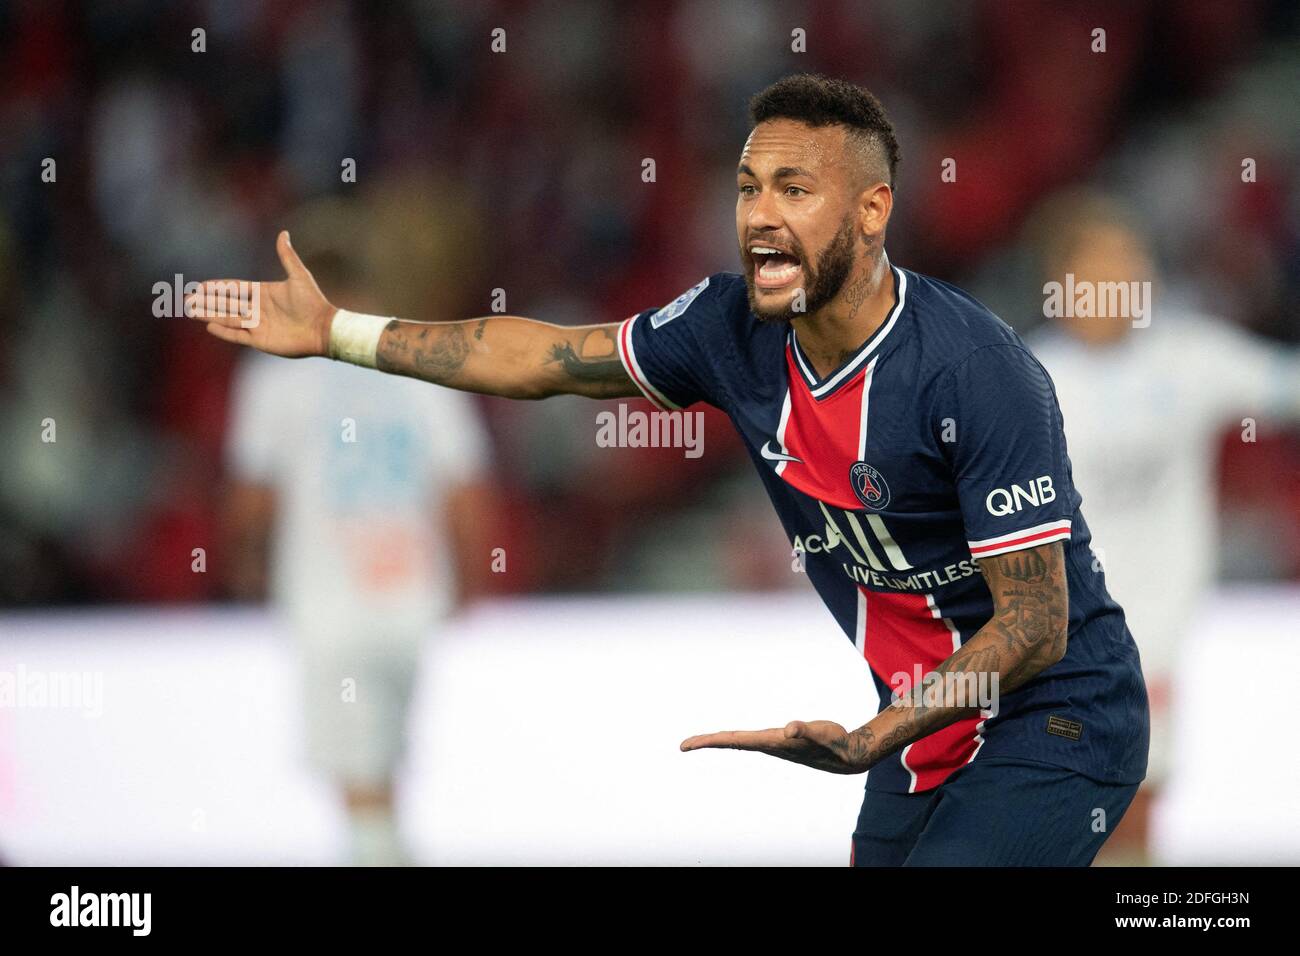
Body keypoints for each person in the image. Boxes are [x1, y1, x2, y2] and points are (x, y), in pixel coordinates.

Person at [189, 73, 1148, 866]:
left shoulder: (975, 373)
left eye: (795, 190)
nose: (761, 216)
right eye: (747, 187)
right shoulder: (725, 330)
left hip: (1061, 714)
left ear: (872, 211)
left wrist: (873, 736)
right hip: (922, 730)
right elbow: (540, 359)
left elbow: (1035, 620)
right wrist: (335, 333)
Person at [1025, 189, 1300, 863]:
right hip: (1054, 643)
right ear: (1060, 284)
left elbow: (1283, 384)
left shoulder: (1190, 357)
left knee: (1132, 814)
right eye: (1098, 270)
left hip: (1156, 641)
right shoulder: (1025, 377)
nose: (1117, 284)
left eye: (1128, 266)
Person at [222, 206, 493, 866]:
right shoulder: (420, 363)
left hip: (328, 597)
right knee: (382, 764)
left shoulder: (277, 376)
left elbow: (252, 501)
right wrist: (470, 580)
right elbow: (465, 490)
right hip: (410, 594)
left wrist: (247, 572)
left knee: (358, 774)